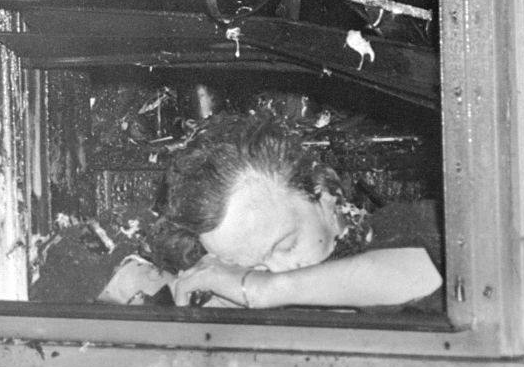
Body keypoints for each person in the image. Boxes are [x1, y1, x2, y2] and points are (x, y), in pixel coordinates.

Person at [137, 111, 443, 309]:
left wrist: (259, 289)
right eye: (250, 267)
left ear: (323, 192)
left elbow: (426, 274)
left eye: (286, 245)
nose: (277, 270)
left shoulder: (408, 224)